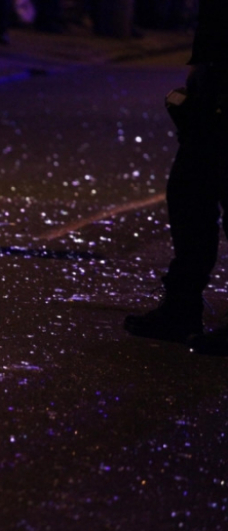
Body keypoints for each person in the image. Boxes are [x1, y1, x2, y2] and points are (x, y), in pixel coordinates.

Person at [124, 0, 228, 352]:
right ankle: (181, 305)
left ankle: (181, 306)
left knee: (195, 190)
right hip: (215, 71)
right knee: (189, 192)